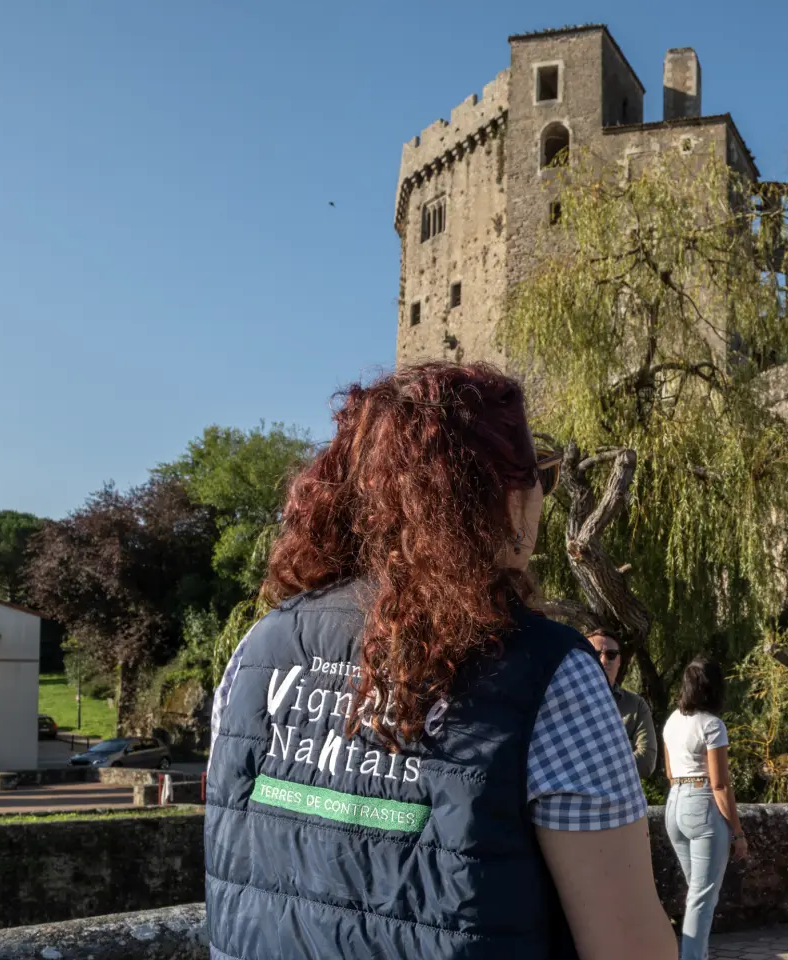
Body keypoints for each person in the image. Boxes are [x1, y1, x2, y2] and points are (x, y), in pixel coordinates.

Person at [203, 362, 674, 960]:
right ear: (506, 497)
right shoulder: (553, 675)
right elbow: (629, 948)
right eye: (541, 479)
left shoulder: (259, 648)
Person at [662, 657, 749, 960]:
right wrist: (738, 832)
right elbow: (720, 784)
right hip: (701, 805)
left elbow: (670, 773)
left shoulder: (672, 721)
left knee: (696, 894)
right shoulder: (713, 725)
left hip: (674, 805)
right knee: (702, 898)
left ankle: (699, 954)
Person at [587, 629, 660, 781]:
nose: (603, 660)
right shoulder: (565, 702)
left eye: (611, 655)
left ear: (619, 661)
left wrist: (593, 766)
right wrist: (623, 755)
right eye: (596, 654)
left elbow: (646, 763)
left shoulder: (636, 706)